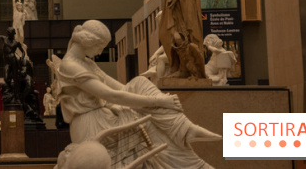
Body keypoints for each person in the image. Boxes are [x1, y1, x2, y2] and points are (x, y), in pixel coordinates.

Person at [57, 20, 219, 167]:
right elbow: (111, 95)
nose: (100, 52)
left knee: (139, 83)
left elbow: (121, 88)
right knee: (149, 125)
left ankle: (184, 131)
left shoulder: (87, 63)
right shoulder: (70, 66)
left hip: (104, 115)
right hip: (91, 124)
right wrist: (159, 102)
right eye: (101, 47)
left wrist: (150, 99)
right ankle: (187, 143)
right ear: (90, 42)